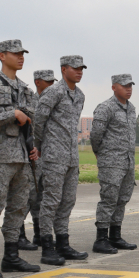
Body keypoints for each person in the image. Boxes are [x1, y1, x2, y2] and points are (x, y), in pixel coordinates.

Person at [0, 40, 41, 278]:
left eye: (22, 54)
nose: (21, 57)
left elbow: (31, 121)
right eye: (16, 54)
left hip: (22, 157)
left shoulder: (26, 89)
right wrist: (13, 114)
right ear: (2, 55)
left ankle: (11, 256)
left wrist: (34, 147)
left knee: (18, 209)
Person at [34, 55, 89, 265]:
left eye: (82, 68)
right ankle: (47, 247)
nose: (79, 72)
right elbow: (39, 120)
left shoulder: (80, 95)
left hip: (71, 157)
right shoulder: (53, 92)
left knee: (68, 201)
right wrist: (40, 146)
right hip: (53, 156)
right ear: (64, 69)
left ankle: (63, 244)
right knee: (51, 201)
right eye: (75, 68)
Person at [90, 74, 139, 254]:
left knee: (122, 199)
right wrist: (102, 155)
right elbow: (95, 136)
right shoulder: (106, 108)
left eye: (130, 86)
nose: (129, 89)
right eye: (125, 86)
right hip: (111, 162)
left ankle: (115, 236)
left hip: (127, 162)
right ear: (113, 87)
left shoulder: (131, 108)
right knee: (109, 199)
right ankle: (101, 239)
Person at [18, 69, 57, 250]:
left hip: (47, 156)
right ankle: (18, 236)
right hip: (31, 155)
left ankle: (39, 235)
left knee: (40, 198)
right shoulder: (29, 102)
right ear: (38, 82)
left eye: (53, 81)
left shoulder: (54, 101)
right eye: (47, 81)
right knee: (26, 197)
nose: (51, 85)